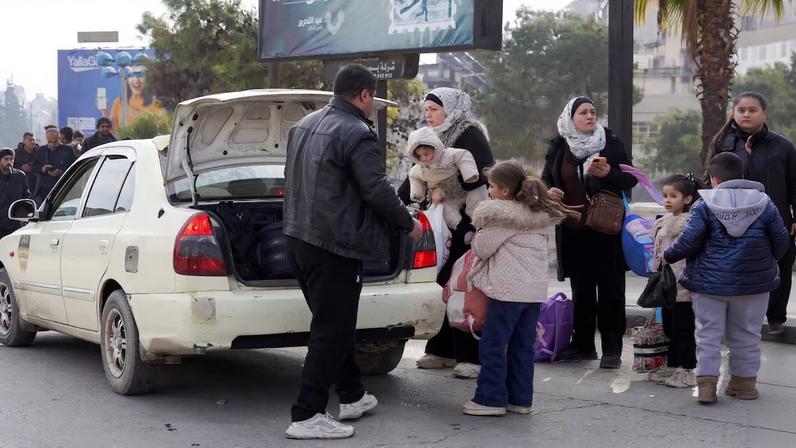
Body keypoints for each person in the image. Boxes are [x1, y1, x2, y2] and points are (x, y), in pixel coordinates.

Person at [282, 64, 423, 440]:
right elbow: (376, 189)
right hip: (334, 245)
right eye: (371, 98)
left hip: (298, 237)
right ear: (364, 95)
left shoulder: (304, 124)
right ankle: (307, 414)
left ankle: (352, 395)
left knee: (335, 323)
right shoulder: (358, 132)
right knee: (331, 330)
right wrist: (407, 224)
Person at [664, 152, 790, 404]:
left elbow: (688, 242)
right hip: (754, 285)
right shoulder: (765, 203)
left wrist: (668, 255)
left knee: (708, 334)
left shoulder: (704, 205)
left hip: (708, 284)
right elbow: (782, 240)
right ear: (742, 175)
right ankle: (744, 385)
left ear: (714, 178)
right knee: (747, 333)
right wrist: (765, 262)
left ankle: (707, 387)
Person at [462, 161, 579, 416]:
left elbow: (481, 248)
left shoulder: (502, 217)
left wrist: (480, 230)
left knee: (493, 345)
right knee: (522, 346)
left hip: (508, 291)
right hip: (533, 293)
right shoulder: (538, 216)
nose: (489, 190)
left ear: (505, 191)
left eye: (492, 186)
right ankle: (520, 398)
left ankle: (490, 399)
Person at [541, 96, 638, 369]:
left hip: (606, 230)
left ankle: (611, 350)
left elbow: (630, 178)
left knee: (611, 291)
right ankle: (583, 346)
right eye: (583, 112)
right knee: (581, 292)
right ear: (570, 118)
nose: (589, 116)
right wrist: (549, 191)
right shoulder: (560, 145)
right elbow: (547, 177)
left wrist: (608, 174)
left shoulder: (609, 141)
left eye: (592, 111)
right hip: (574, 229)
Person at [407, 87, 494, 379]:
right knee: (442, 282)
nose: (428, 115)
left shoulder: (469, 134)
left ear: (451, 108)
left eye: (434, 109)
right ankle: (443, 350)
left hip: (467, 221)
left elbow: (482, 175)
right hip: (439, 220)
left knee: (463, 285)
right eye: (427, 110)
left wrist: (446, 188)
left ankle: (471, 356)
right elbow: (417, 172)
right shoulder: (430, 137)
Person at [708, 91, 796, 336]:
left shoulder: (783, 146)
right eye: (741, 110)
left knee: (781, 265)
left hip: (776, 217)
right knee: (737, 267)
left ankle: (776, 317)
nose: (746, 114)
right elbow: (710, 180)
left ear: (764, 113)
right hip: (733, 219)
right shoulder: (723, 144)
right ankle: (737, 319)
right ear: (734, 113)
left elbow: (794, 183)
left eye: (752, 110)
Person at [647, 174, 699, 388]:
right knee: (669, 326)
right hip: (666, 285)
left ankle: (687, 369)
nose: (668, 200)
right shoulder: (663, 221)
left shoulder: (690, 224)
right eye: (665, 196)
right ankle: (673, 364)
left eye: (673, 196)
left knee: (683, 328)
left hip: (683, 285)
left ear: (687, 199)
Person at [406, 126, 488, 229]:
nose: (423, 158)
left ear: (435, 148)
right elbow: (413, 177)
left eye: (426, 154)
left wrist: (469, 173)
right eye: (419, 156)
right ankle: (463, 229)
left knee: (477, 194)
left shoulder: (448, 155)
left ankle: (482, 224)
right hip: (445, 197)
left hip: (464, 188)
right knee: (444, 211)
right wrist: (417, 194)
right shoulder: (420, 169)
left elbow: (463, 155)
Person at [34, 126, 77, 204]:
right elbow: (34, 167)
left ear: (59, 138)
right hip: (43, 190)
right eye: (49, 142)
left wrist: (60, 171)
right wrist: (43, 169)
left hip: (62, 189)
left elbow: (74, 167)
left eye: (55, 142)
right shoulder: (41, 150)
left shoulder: (68, 150)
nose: (52, 145)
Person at [0, 148, 31, 239]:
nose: (9, 162)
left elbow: (26, 196)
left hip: (16, 222)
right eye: (6, 159)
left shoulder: (20, 176)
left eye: (11, 159)